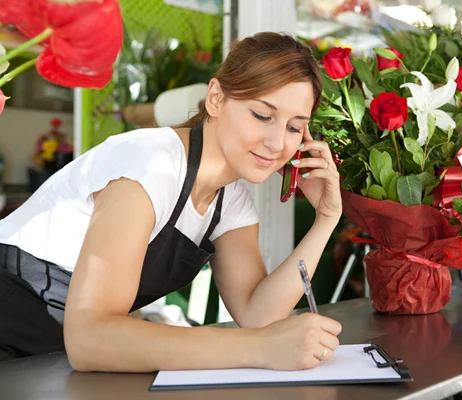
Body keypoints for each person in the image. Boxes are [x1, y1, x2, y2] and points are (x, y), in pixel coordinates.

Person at [0, 32, 343, 372]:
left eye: (295, 127)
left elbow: (258, 315)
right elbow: (89, 338)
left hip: (51, 359)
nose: (276, 142)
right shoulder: (150, 165)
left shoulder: (231, 200)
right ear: (216, 99)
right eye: (262, 116)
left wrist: (326, 218)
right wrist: (260, 348)